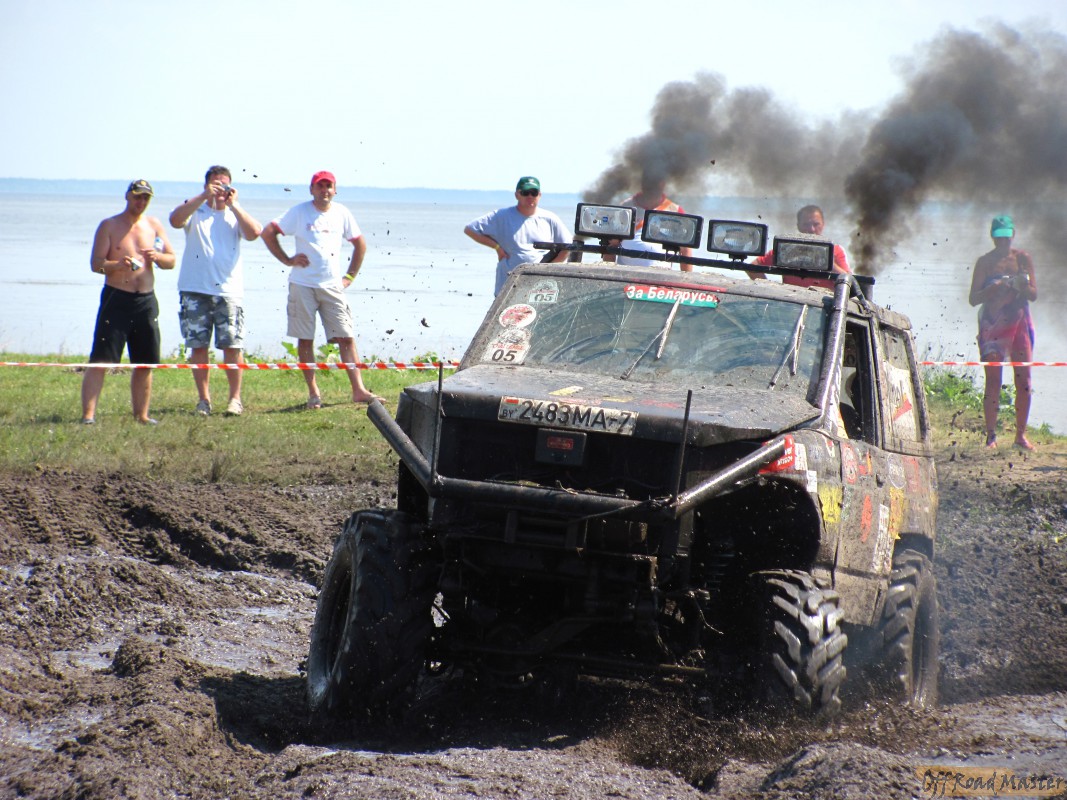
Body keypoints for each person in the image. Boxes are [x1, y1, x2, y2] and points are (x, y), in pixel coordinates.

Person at [260, 170, 381, 407]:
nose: (324, 190)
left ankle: (359, 390)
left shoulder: (342, 213)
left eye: (328, 186)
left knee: (346, 337)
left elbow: (360, 244)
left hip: (332, 286)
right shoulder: (299, 212)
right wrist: (287, 259)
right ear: (312, 189)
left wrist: (349, 277)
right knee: (305, 339)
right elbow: (268, 232)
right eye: (320, 186)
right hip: (302, 284)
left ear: (335, 190)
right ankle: (314, 393)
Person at [81, 180, 177, 425]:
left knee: (145, 362)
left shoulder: (153, 225)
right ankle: (88, 416)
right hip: (117, 298)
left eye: (145, 198)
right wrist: (117, 264)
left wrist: (158, 257)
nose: (141, 202)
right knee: (101, 359)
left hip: (145, 300)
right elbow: (96, 264)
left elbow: (171, 260)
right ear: (127, 196)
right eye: (137, 197)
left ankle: (141, 415)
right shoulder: (109, 225)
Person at [169, 166, 262, 417]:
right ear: (206, 185)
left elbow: (254, 233)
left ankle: (235, 399)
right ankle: (203, 400)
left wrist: (235, 205)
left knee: (232, 346)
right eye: (215, 184)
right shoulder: (195, 211)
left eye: (224, 184)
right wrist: (203, 196)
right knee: (198, 347)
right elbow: (175, 220)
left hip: (228, 291)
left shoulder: (234, 214)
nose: (220, 189)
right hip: (194, 289)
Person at [968, 214, 1037, 450]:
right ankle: (991, 436)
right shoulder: (984, 262)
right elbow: (973, 299)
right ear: (992, 237)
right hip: (993, 324)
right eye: (999, 237)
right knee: (993, 379)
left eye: (1006, 236)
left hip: (1020, 322)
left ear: (1013, 235)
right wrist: (993, 289)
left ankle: (1020, 436)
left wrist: (1021, 285)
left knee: (1024, 379)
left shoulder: (1022, 258)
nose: (1003, 241)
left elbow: (1033, 294)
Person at [464, 176, 572, 295]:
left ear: (539, 195)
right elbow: (470, 229)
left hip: (540, 287)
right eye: (525, 192)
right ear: (517, 195)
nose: (530, 196)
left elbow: (567, 246)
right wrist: (497, 247)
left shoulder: (550, 218)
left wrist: (548, 269)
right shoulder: (502, 216)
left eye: (534, 193)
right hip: (508, 284)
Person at [748, 204, 850, 288]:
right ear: (798, 226)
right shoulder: (787, 250)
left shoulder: (835, 251)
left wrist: (829, 263)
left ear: (823, 224)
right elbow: (753, 268)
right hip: (793, 302)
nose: (811, 229)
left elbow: (850, 282)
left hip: (824, 303)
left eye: (816, 224)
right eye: (806, 224)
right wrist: (769, 288)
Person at [605, 176, 693, 271]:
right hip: (625, 273)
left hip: (662, 274)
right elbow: (611, 245)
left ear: (663, 184)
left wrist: (686, 278)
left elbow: (685, 250)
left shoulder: (675, 210)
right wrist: (608, 273)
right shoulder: (626, 207)